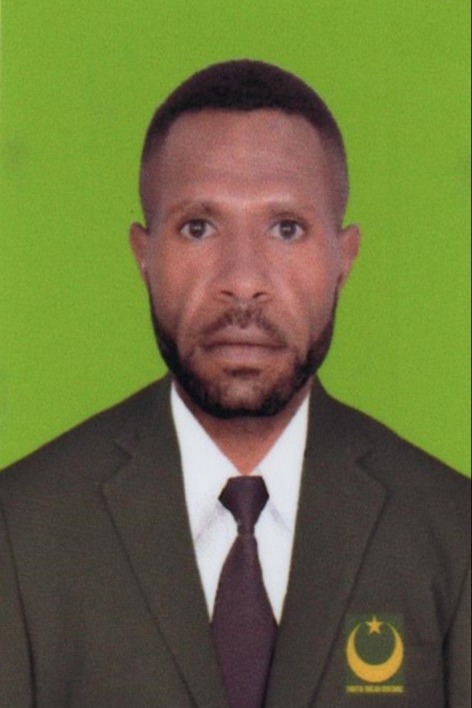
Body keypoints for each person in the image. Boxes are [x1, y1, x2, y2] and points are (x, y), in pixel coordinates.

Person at [0, 60, 469, 708]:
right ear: (143, 254)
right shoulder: (20, 530)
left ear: (344, 257)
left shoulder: (452, 530)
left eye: (286, 228)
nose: (243, 281)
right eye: (199, 227)